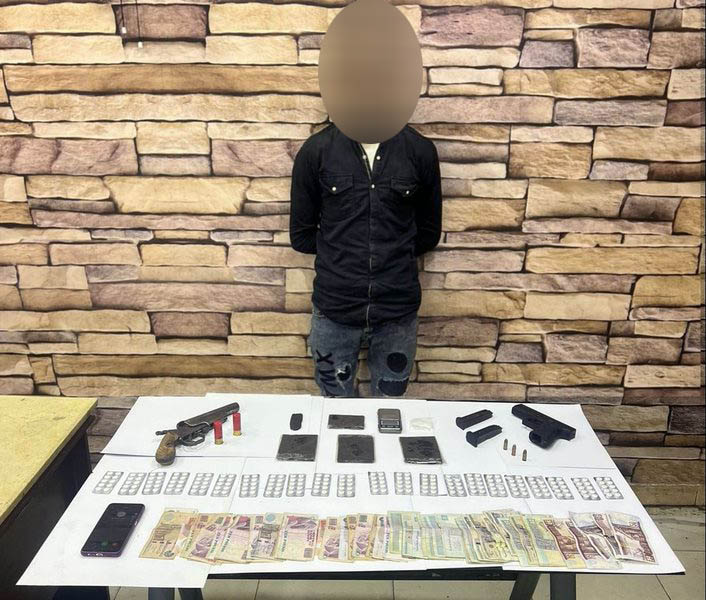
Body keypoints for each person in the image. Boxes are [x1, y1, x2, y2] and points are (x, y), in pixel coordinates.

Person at [289, 120, 442, 397]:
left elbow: (428, 233)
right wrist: (342, 255)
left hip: (397, 312)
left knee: (390, 408)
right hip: (334, 310)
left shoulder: (419, 150)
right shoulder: (316, 150)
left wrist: (392, 255)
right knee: (334, 408)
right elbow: (301, 235)